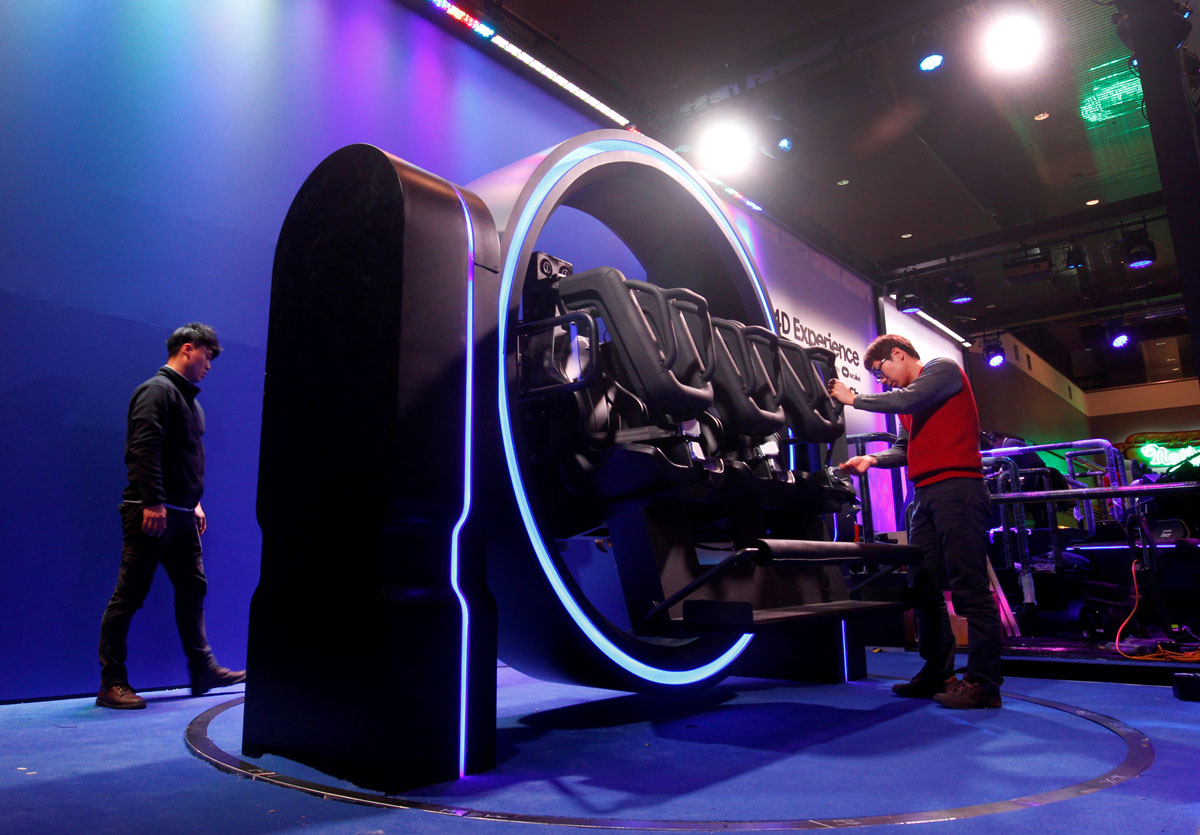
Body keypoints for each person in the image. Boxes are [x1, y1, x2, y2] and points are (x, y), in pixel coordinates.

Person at [827, 334, 1002, 709]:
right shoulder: (913, 401)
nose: (882, 380)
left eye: (881, 371)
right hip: (925, 494)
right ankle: (938, 672)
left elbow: (906, 398)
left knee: (970, 587)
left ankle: (984, 684)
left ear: (898, 354)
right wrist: (872, 460)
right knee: (922, 584)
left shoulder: (943, 370)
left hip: (959, 488)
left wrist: (853, 399)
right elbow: (905, 448)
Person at [96, 323, 246, 709]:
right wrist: (154, 502)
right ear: (188, 349)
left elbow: (183, 458)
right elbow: (144, 449)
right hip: (152, 513)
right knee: (128, 597)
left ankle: (203, 668)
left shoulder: (190, 402)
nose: (209, 366)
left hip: (179, 514)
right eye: (207, 357)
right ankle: (112, 683)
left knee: (193, 589)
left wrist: (193, 501)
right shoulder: (156, 391)